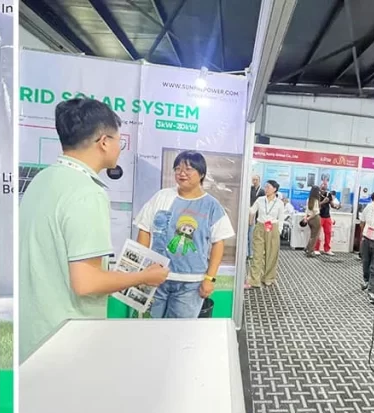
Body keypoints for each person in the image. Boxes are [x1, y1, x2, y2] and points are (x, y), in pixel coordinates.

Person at [18, 98, 169, 361]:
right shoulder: (87, 193)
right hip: (67, 340)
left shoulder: (42, 179)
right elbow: (86, 282)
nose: (119, 150)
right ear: (104, 142)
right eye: (118, 142)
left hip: (33, 334)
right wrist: (143, 277)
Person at [134, 151, 234, 318]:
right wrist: (140, 270)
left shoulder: (212, 206)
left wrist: (210, 278)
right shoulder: (162, 196)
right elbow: (144, 229)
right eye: (177, 168)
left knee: (179, 333)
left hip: (191, 283)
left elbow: (218, 243)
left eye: (188, 169)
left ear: (201, 173)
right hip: (156, 278)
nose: (181, 173)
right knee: (151, 328)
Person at [247, 180, 286, 288]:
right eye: (266, 187)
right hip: (260, 226)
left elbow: (281, 218)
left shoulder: (279, 203)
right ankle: (254, 280)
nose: (266, 189)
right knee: (257, 254)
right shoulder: (260, 200)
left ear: (274, 189)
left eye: (268, 187)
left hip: (273, 228)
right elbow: (252, 211)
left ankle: (268, 278)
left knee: (271, 254)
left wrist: (279, 230)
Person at [359, 189, 374, 303]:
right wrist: (363, 236)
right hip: (366, 240)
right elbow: (362, 222)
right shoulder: (368, 207)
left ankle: (372, 291)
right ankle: (366, 279)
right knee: (365, 263)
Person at [317, 185, 341, 255]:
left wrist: (337, 207)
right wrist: (323, 202)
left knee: (328, 233)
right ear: (320, 188)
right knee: (317, 233)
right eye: (322, 189)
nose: (324, 190)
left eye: (325, 189)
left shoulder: (328, 195)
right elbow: (315, 205)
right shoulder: (317, 195)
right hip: (319, 216)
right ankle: (316, 249)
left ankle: (327, 249)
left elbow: (332, 205)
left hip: (327, 216)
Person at [302, 186, 323, 257]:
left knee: (312, 235)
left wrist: (306, 218)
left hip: (309, 219)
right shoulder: (316, 200)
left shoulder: (309, 199)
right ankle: (310, 251)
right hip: (315, 219)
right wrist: (308, 218)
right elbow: (316, 212)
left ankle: (307, 248)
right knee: (315, 236)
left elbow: (307, 211)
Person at [248, 175, 262, 258]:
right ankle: (249, 253)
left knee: (255, 236)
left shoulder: (262, 191)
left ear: (259, 180)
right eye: (253, 180)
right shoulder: (250, 189)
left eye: (256, 180)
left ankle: (253, 253)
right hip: (250, 213)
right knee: (249, 235)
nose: (255, 181)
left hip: (258, 215)